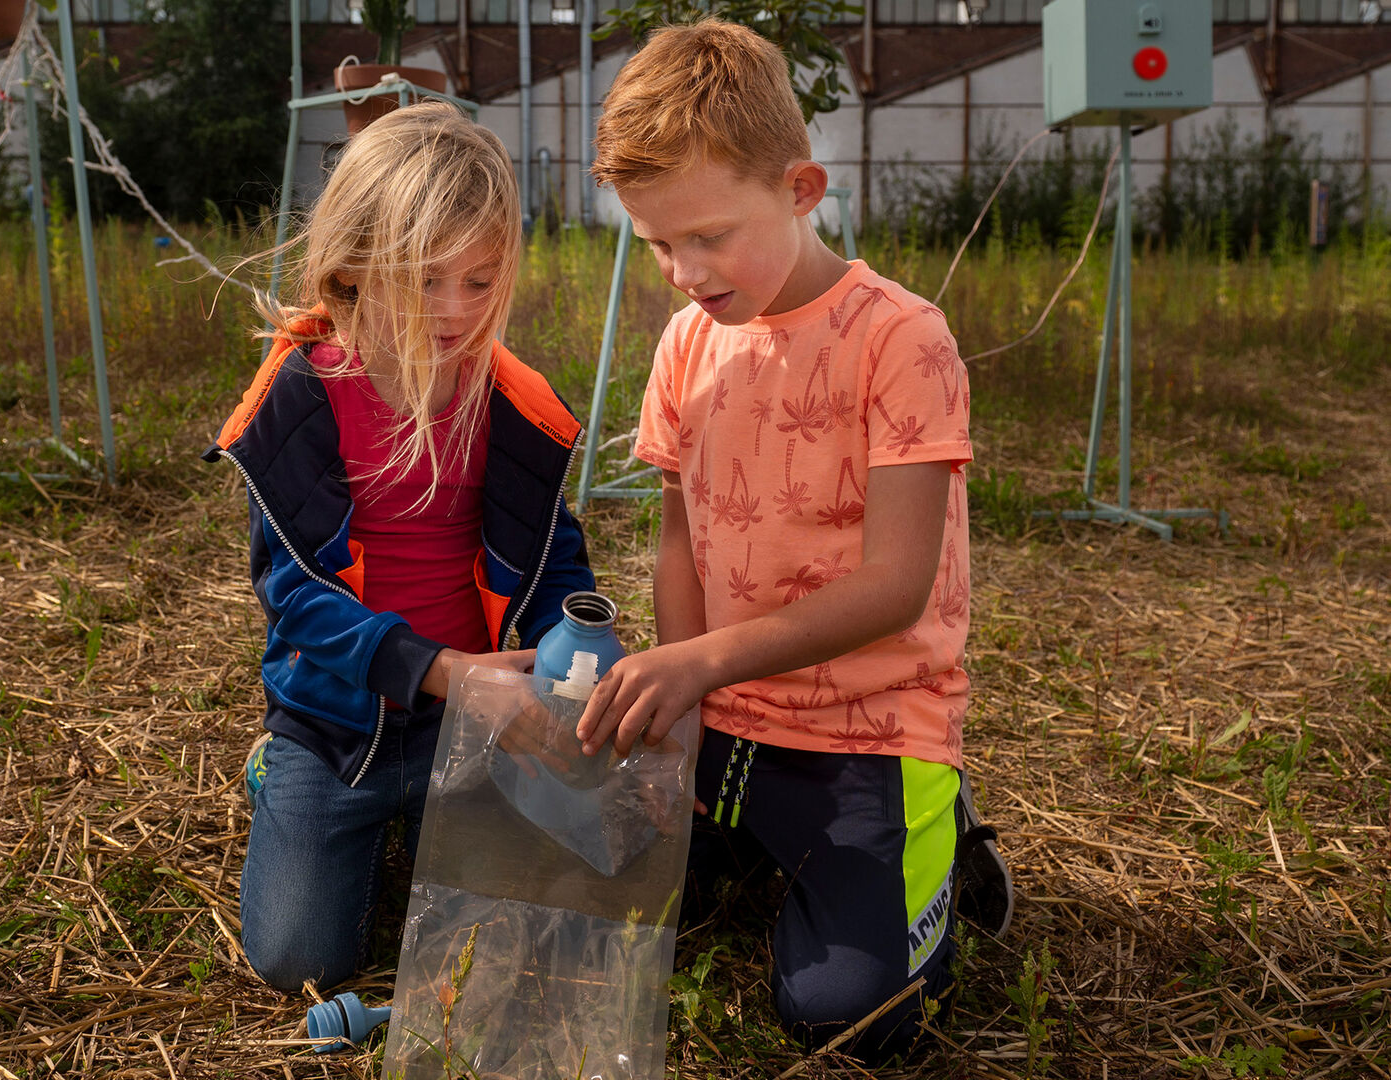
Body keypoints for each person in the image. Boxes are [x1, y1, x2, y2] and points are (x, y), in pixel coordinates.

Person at [577, 19, 1011, 1059]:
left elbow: (897, 586)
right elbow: (681, 542)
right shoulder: (687, 344)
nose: (683, 271)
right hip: (728, 721)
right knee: (597, 904)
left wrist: (701, 663)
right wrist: (684, 698)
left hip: (869, 731)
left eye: (709, 235)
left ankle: (938, 830)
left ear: (802, 189)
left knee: (846, 1018)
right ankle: (748, 835)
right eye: (658, 243)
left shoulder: (901, 338)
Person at [203, 101, 595, 993]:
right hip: (335, 723)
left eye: (480, 282)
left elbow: (551, 554)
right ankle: (281, 781)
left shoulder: (511, 406)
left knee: (497, 939)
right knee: (300, 960)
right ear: (351, 266)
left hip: (475, 721)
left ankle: (432, 823)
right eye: (424, 281)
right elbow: (298, 600)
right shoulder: (302, 397)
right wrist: (447, 672)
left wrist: (570, 653)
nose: (455, 311)